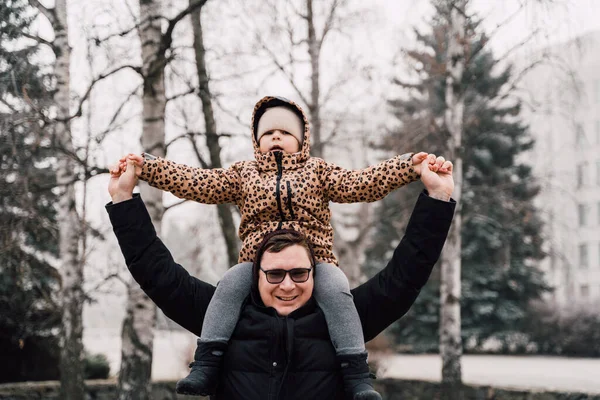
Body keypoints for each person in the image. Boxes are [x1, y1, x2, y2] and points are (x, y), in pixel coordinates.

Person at [116, 96, 449, 398]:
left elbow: (361, 183)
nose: (276, 137)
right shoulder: (242, 174)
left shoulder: (318, 171)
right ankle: (206, 363)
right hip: (251, 259)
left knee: (336, 289)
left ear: (302, 140)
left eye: (285, 132)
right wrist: (149, 169)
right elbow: (198, 182)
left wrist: (409, 168)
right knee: (230, 283)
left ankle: (357, 373)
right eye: (268, 132)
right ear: (256, 141)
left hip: (319, 257)